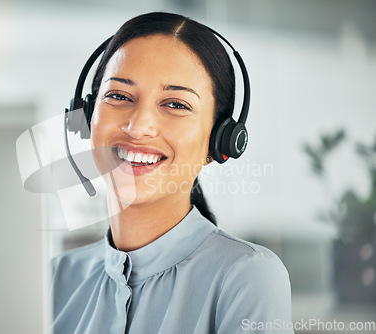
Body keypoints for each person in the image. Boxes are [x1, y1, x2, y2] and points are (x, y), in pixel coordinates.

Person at [52, 12, 293, 334]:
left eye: (176, 104)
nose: (137, 127)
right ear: (85, 117)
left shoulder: (247, 275)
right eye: (119, 96)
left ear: (219, 141)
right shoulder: (54, 277)